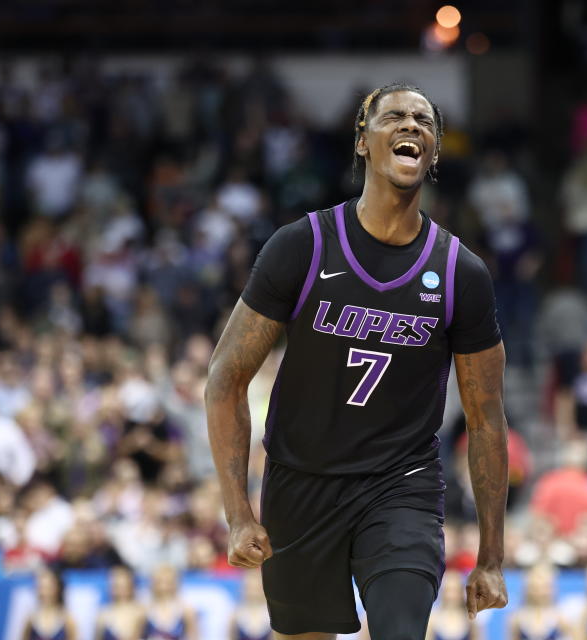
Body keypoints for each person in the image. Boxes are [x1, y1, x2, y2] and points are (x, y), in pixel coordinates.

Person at [206, 83, 509, 640]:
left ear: (435, 153)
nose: (411, 125)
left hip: (402, 485)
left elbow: (487, 415)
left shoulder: (462, 274)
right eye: (393, 116)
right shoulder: (302, 246)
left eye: (424, 120)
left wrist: (491, 553)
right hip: (301, 482)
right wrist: (239, 514)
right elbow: (225, 380)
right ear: (363, 141)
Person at [506, 564, 569, 640]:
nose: (540, 592)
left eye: (544, 587)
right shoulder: (517, 618)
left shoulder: (561, 618)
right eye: (536, 588)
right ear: (528, 588)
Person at [141, 565, 198, 640]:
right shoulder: (144, 609)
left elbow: (194, 636)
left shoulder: (186, 610)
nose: (163, 586)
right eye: (160, 582)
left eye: (167, 582)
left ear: (175, 583)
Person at [21, 568, 77, 640]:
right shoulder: (31, 619)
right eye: (40, 587)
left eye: (48, 587)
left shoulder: (67, 620)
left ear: (58, 588)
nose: (43, 592)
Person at [426, 571, 480, 640]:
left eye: (455, 591)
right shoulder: (433, 620)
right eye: (448, 591)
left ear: (461, 593)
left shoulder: (471, 622)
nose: (451, 596)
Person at [94, 565, 144, 640]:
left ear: (131, 586)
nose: (121, 591)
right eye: (117, 586)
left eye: (124, 586)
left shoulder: (140, 611)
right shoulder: (104, 613)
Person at [229, 570, 273, 640]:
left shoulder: (271, 615)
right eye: (250, 587)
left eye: (256, 587)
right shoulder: (236, 615)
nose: (253, 591)